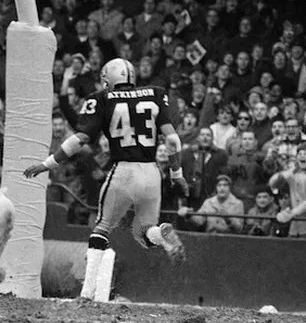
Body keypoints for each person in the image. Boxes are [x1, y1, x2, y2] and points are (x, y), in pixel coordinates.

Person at [24, 58, 189, 303]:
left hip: (123, 171)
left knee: (101, 229)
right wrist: (177, 174)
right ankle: (161, 234)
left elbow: (80, 139)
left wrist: (47, 164)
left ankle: (87, 293)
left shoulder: (101, 99)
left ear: (108, 79)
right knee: (143, 234)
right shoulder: (155, 94)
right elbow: (173, 141)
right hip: (152, 173)